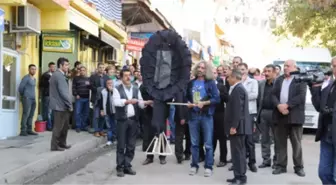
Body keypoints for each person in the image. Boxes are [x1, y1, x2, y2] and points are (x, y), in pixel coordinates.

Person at [272, 59, 306, 177]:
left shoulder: (300, 79)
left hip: (295, 116)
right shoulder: (279, 79)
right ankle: (281, 166)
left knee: (296, 144)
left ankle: (299, 167)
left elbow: (301, 96)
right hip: (280, 115)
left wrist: (286, 105)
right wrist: (279, 106)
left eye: (288, 66)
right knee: (280, 143)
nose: (285, 68)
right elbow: (273, 95)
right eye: (284, 66)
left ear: (295, 67)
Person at [112, 68, 149, 177]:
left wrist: (146, 103)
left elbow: (140, 102)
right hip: (122, 121)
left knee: (131, 145)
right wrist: (127, 101)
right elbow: (116, 102)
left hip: (133, 120)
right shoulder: (117, 89)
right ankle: (120, 167)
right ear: (121, 78)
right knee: (121, 145)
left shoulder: (136, 88)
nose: (128, 78)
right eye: (126, 76)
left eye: (130, 75)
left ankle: (127, 165)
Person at [186, 61, 220, 177]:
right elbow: (186, 97)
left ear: (207, 70)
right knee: (194, 143)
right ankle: (194, 165)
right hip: (193, 116)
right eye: (199, 67)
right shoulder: (190, 83)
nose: (200, 69)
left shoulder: (211, 83)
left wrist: (204, 103)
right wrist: (188, 103)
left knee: (208, 143)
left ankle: (208, 166)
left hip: (206, 116)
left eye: (203, 68)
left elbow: (217, 99)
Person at [310, 56, 336, 184]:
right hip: (326, 135)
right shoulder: (330, 85)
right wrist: (314, 86)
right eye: (334, 66)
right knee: (324, 173)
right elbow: (318, 106)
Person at [225, 69, 251, 185]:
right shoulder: (237, 88)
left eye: (229, 77)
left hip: (238, 127)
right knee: (237, 153)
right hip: (238, 127)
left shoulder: (238, 89)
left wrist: (234, 126)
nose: (227, 79)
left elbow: (238, 110)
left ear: (235, 77)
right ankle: (237, 176)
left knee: (238, 153)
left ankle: (241, 177)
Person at [49, 57, 72, 151]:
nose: (68, 67)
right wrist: (70, 104)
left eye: (68, 65)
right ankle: (55, 146)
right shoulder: (59, 75)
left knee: (64, 127)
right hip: (60, 105)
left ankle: (62, 143)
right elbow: (63, 92)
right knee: (58, 127)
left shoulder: (59, 75)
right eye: (66, 65)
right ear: (60, 65)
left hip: (62, 105)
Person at [257, 64, 277, 169]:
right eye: (265, 71)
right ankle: (266, 160)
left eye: (269, 71)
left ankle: (276, 161)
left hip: (275, 113)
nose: (266, 73)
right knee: (264, 138)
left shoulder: (278, 83)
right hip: (263, 112)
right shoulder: (261, 84)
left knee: (276, 138)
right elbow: (258, 99)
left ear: (274, 72)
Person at [212, 68, 229, 167]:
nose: (213, 74)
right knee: (211, 138)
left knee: (222, 138)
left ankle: (223, 159)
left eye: (215, 73)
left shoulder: (221, 86)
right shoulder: (205, 85)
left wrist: (219, 94)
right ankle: (210, 157)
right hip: (209, 115)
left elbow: (227, 99)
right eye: (212, 72)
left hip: (220, 114)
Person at [18, 64, 38, 136]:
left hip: (33, 99)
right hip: (27, 98)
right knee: (26, 114)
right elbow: (20, 88)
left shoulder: (34, 79)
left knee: (31, 114)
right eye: (32, 69)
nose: (34, 70)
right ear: (29, 70)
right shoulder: (26, 78)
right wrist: (24, 96)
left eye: (35, 69)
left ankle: (29, 130)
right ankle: (23, 130)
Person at [72, 66, 91, 132]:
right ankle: (78, 126)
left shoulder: (88, 79)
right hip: (79, 98)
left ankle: (84, 126)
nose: (82, 71)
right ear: (79, 71)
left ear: (86, 71)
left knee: (86, 113)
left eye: (84, 70)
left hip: (87, 98)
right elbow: (73, 87)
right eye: (81, 70)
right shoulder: (76, 78)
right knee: (78, 113)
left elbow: (90, 88)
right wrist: (76, 94)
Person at [40, 62, 56, 131]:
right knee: (48, 111)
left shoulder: (55, 75)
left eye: (54, 67)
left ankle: (53, 125)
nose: (53, 68)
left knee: (53, 111)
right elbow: (41, 85)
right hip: (47, 95)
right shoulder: (45, 75)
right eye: (52, 67)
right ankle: (49, 126)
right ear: (49, 67)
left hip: (54, 96)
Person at [100, 79, 116, 145]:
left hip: (114, 111)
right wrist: (101, 110)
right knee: (109, 126)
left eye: (111, 83)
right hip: (107, 111)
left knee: (115, 126)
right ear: (106, 84)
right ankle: (109, 140)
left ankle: (114, 139)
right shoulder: (103, 91)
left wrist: (111, 90)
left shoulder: (115, 90)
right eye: (108, 83)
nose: (109, 84)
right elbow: (101, 101)